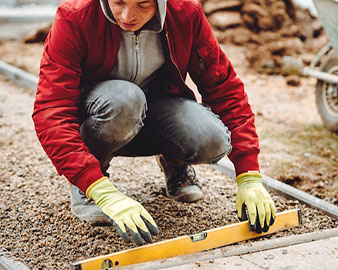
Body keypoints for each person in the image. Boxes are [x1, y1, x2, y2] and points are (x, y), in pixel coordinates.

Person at [32, 0, 276, 246]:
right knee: (125, 100)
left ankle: (174, 161)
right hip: (104, 114)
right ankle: (90, 187)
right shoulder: (76, 16)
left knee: (211, 138)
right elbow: (51, 110)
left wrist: (249, 176)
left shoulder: (185, 13)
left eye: (143, 4)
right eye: (118, 2)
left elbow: (225, 89)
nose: (128, 15)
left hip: (156, 107)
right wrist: (95, 185)